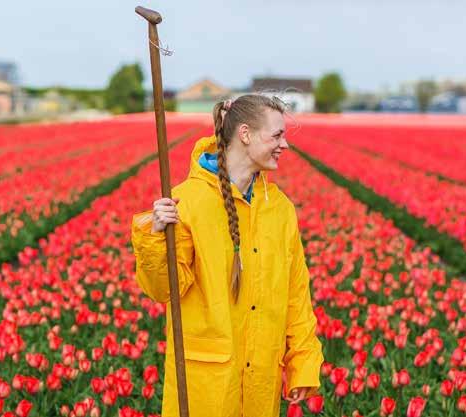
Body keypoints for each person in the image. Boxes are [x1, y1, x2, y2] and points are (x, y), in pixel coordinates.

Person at [131, 94, 323, 417]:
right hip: (206, 382)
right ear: (245, 134)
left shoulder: (280, 210)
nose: (285, 145)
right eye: (277, 135)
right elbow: (164, 289)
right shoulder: (185, 202)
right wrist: (156, 238)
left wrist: (302, 362)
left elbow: (296, 295)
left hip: (261, 378)